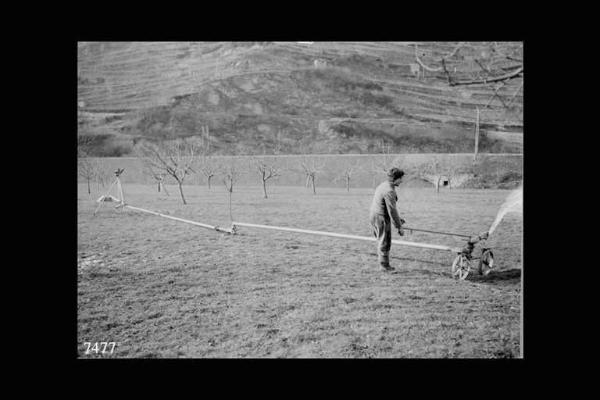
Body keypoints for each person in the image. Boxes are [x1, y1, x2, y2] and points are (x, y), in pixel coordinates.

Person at [369, 168, 406, 271]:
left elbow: (388, 208)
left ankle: (383, 264)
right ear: (396, 178)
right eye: (401, 178)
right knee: (384, 241)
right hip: (380, 217)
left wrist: (398, 219)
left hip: (374, 215)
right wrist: (399, 227)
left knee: (381, 239)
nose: (402, 181)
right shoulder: (389, 190)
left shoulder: (384, 185)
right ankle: (384, 266)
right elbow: (392, 211)